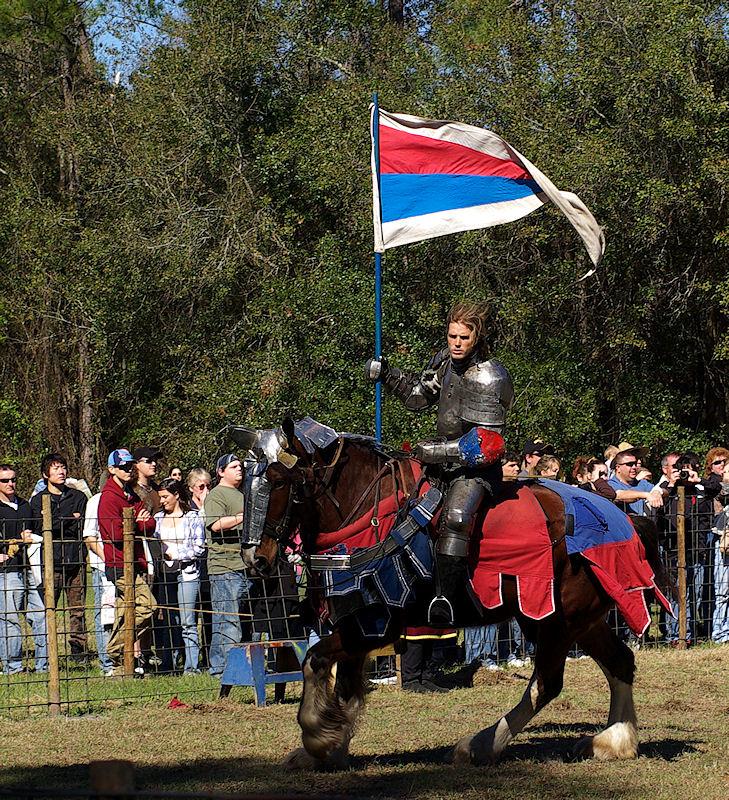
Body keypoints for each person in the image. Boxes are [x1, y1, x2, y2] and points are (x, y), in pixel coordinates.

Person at [366, 301, 514, 626]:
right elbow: (418, 396)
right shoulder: (444, 362)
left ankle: (448, 599)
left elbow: (485, 445)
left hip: (474, 471)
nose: (457, 343)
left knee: (457, 517)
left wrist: (433, 451)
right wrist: (387, 374)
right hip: (440, 464)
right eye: (452, 336)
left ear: (478, 337)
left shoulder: (490, 376)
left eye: (464, 337)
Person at [98, 448, 157, 676]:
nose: (128, 470)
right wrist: (136, 523)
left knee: (125, 611)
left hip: (135, 562)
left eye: (130, 465)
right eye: (123, 467)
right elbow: (115, 533)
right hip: (119, 564)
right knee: (147, 605)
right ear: (112, 469)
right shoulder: (109, 498)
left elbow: (150, 524)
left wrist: (135, 524)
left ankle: (120, 665)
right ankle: (116, 650)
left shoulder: (130, 495)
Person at [29, 453, 88, 661]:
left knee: (78, 609)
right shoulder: (38, 500)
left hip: (76, 560)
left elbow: (81, 526)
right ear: (46, 474)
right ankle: (47, 650)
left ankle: (79, 650)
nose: (61, 471)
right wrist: (68, 519)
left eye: (63, 467)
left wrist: (55, 521)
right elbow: (39, 527)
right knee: (49, 608)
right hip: (51, 562)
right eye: (55, 468)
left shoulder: (78, 497)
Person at [203, 453, 251, 676]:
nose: (239, 469)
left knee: (242, 621)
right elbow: (215, 525)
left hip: (244, 567)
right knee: (226, 621)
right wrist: (243, 517)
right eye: (233, 466)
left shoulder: (242, 494)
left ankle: (240, 668)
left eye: (240, 466)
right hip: (224, 567)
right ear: (221, 471)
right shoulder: (216, 495)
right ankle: (221, 670)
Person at [154, 478, 206, 674]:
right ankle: (169, 663)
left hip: (187, 574)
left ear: (176, 495)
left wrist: (176, 555)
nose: (163, 501)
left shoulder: (192, 517)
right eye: (160, 497)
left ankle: (191, 667)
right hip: (166, 574)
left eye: (166, 496)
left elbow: (199, 548)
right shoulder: (158, 518)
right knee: (169, 619)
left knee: (187, 621)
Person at [0, 464, 47, 674]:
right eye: (5, 480)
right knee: (10, 618)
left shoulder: (26, 506)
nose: (10, 484)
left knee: (41, 616)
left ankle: (44, 665)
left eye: (13, 479)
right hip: (6, 571)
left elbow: (38, 533)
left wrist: (31, 536)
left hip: (30, 568)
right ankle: (13, 667)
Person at [82, 476, 115, 675]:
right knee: (104, 614)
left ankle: (122, 657)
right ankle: (107, 663)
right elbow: (89, 536)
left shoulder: (128, 498)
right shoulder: (95, 501)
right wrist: (107, 559)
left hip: (124, 566)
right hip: (102, 566)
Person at [187, 468, 212, 667]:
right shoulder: (187, 508)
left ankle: (210, 653)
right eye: (201, 486)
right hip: (192, 566)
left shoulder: (213, 505)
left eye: (208, 486)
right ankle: (193, 658)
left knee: (209, 612)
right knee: (192, 613)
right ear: (192, 488)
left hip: (208, 564)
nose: (206, 490)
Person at [607, 443, 664, 516]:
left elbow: (664, 490)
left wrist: (657, 491)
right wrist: (646, 495)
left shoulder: (642, 483)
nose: (634, 467)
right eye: (629, 464)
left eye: (635, 463)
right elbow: (618, 495)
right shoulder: (610, 484)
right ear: (618, 468)